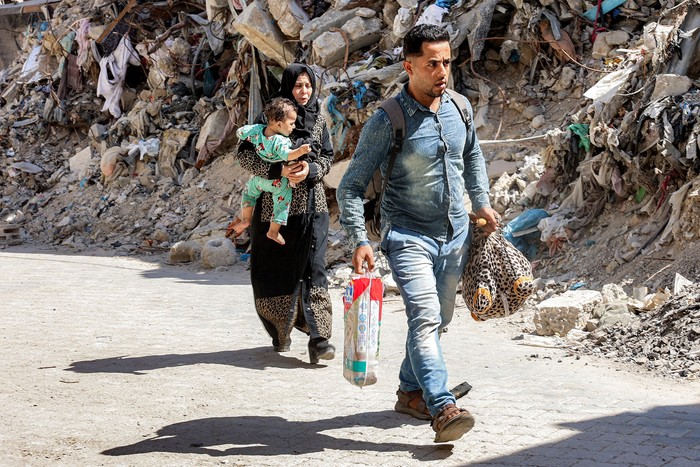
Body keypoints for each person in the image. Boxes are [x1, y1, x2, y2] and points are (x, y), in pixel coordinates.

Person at [336, 24, 500, 443]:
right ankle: (443, 407)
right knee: (426, 318)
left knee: (438, 320)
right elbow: (351, 186)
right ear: (409, 66)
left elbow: (473, 155)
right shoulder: (387, 119)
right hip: (407, 235)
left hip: (455, 234)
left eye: (446, 62)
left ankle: (411, 392)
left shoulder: (460, 107)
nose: (442, 71)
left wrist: (480, 200)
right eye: (432, 64)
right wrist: (359, 238)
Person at [236, 63, 336, 364]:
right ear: (288, 88)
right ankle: (281, 331)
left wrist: (311, 169)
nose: (303, 92)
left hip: (312, 206)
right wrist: (277, 169)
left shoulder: (319, 121)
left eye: (307, 86)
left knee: (314, 267)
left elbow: (329, 158)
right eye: (297, 86)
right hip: (273, 207)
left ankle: (320, 338)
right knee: (275, 270)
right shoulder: (268, 119)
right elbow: (243, 154)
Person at [233, 97, 312, 245]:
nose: (293, 127)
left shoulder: (256, 130)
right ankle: (273, 231)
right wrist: (300, 151)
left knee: (248, 195)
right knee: (282, 204)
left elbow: (240, 132)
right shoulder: (280, 141)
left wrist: (246, 134)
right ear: (279, 124)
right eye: (291, 123)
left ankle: (245, 220)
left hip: (258, 179)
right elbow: (287, 155)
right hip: (276, 182)